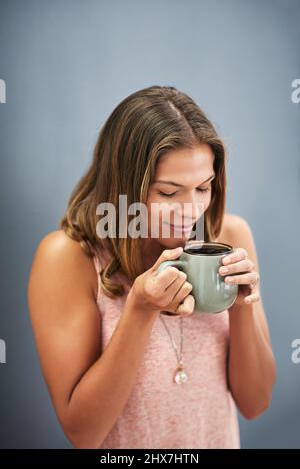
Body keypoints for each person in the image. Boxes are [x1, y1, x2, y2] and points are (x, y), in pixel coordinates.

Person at [27, 85, 276, 449]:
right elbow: (83, 433)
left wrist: (239, 304)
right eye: (169, 193)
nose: (191, 212)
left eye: (203, 188)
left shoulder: (230, 236)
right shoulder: (67, 258)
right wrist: (140, 311)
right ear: (122, 188)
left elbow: (256, 404)